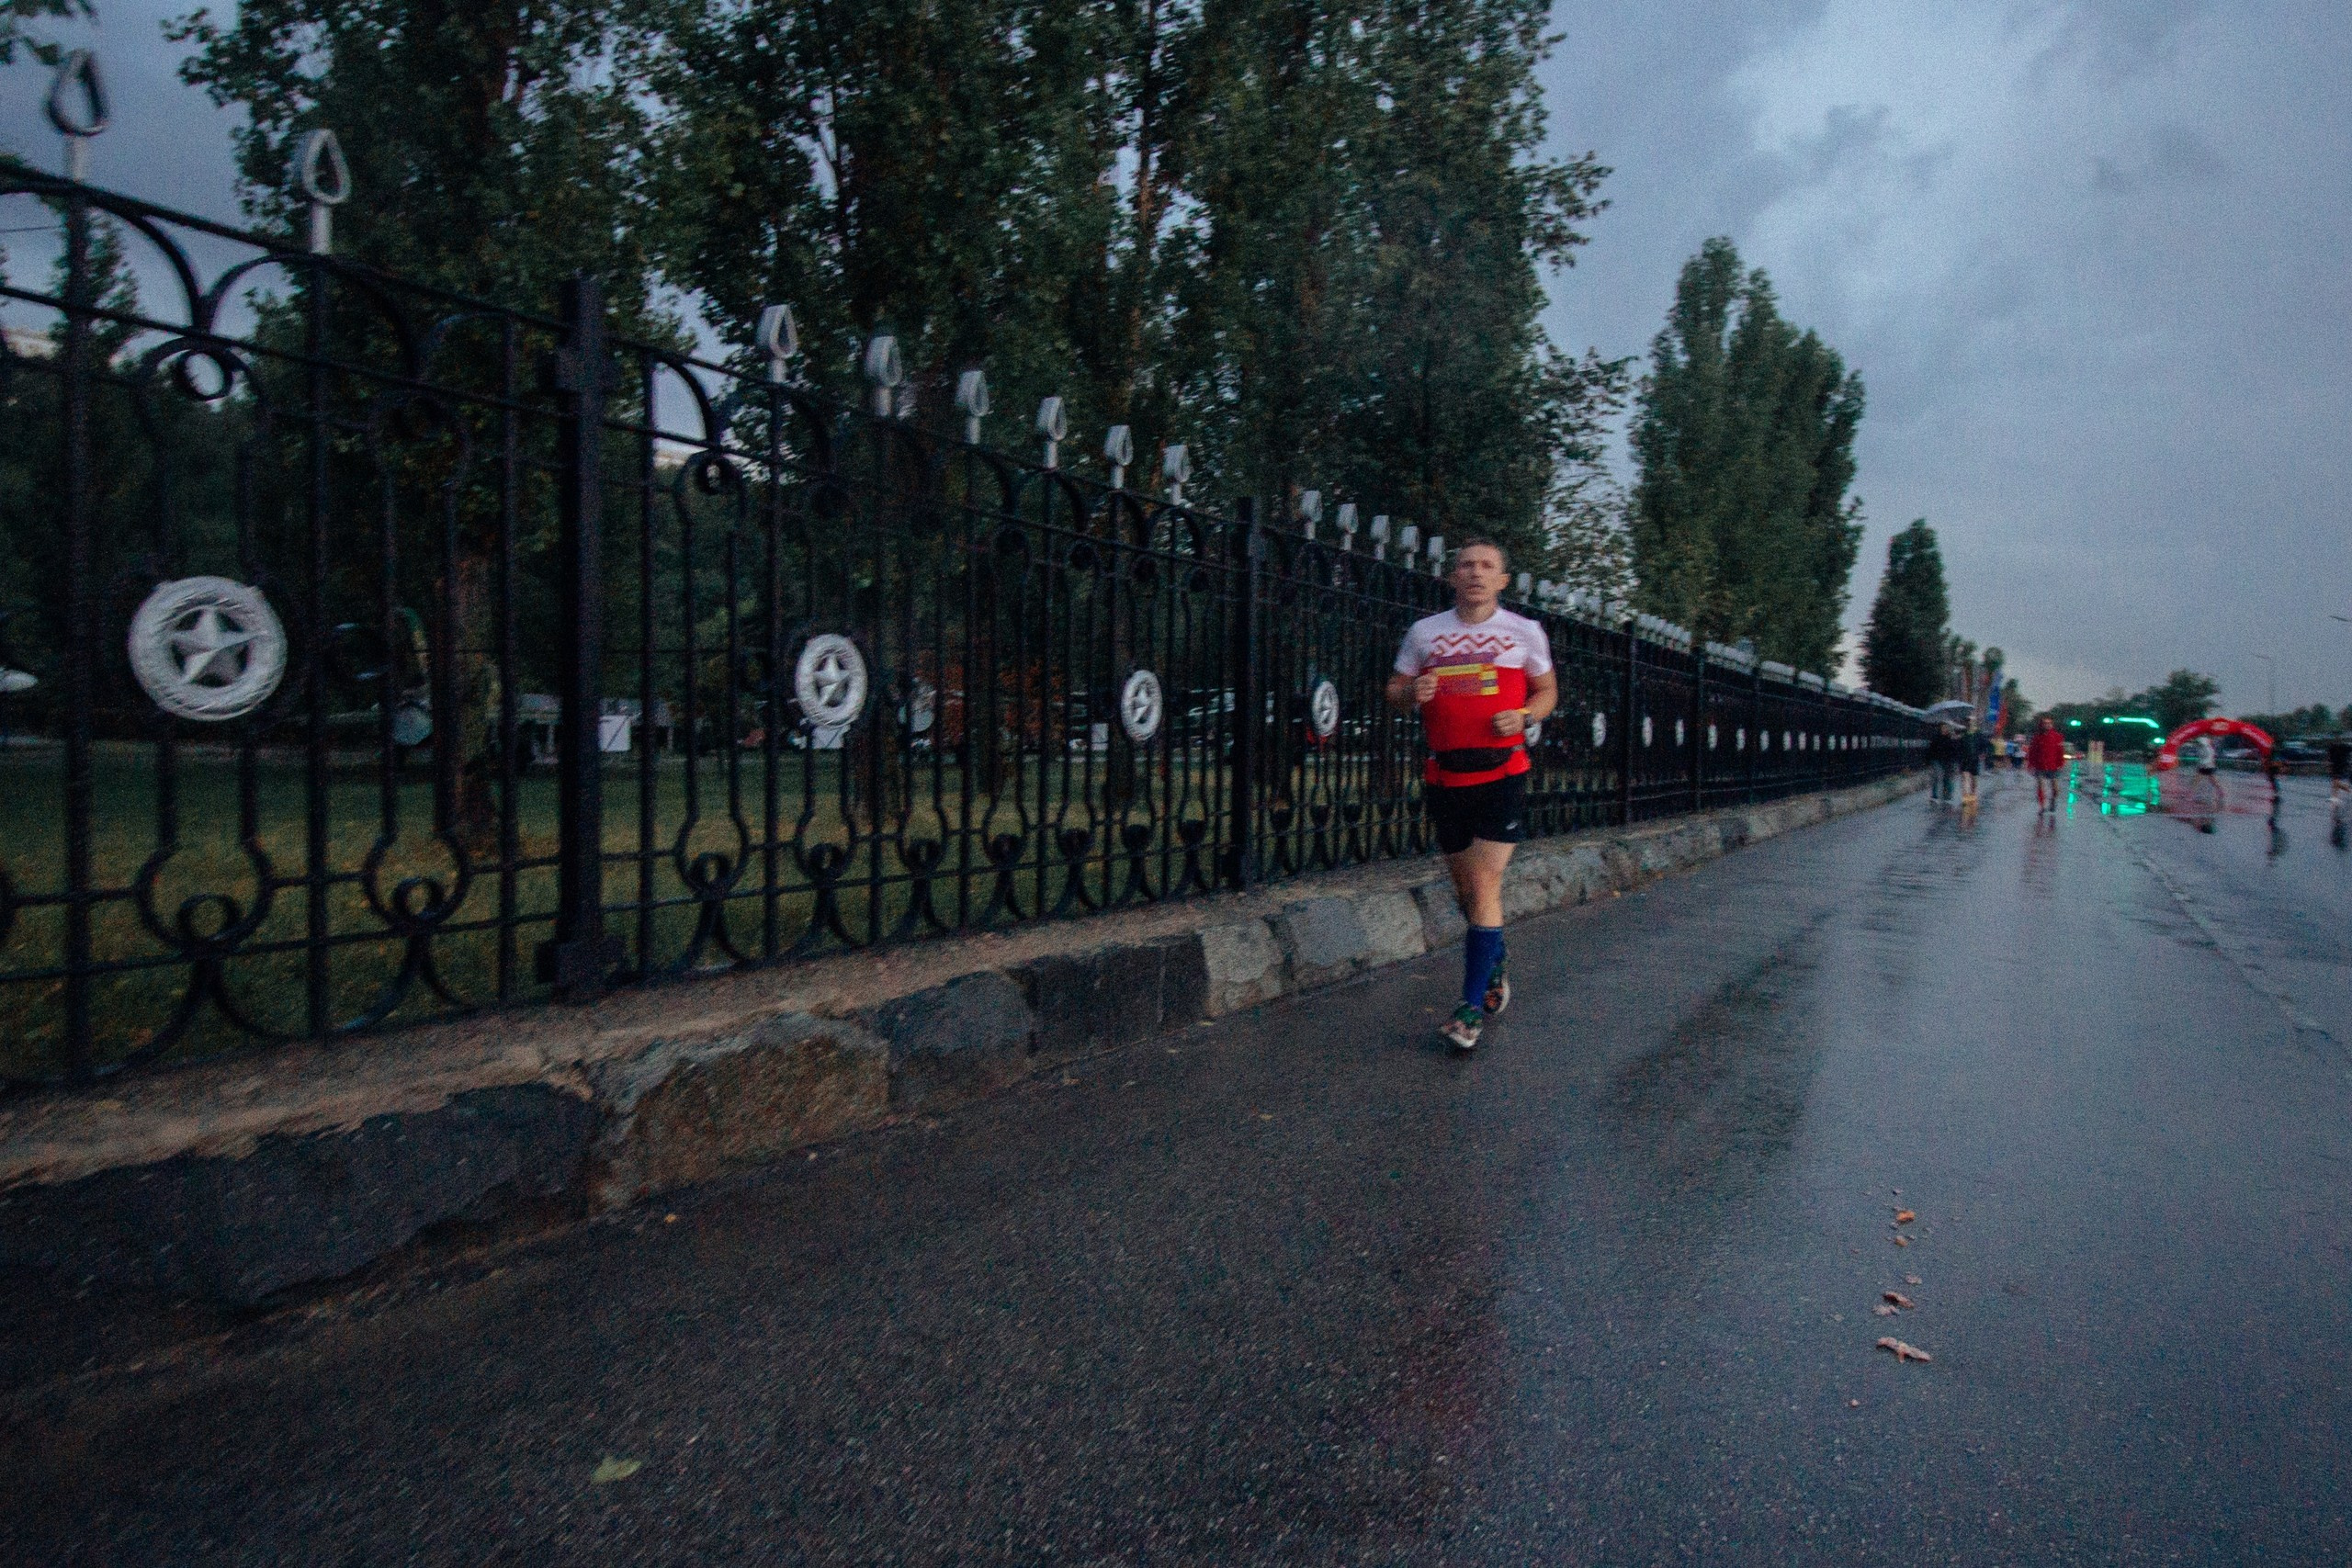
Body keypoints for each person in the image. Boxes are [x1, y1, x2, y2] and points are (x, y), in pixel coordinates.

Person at [1387, 538, 1559, 1053]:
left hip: (1502, 773)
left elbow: (1547, 691)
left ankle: (1468, 1011)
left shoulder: (1524, 632)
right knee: (1467, 894)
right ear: (1453, 577)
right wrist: (1409, 694)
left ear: (1503, 580)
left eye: (1487, 567)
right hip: (1445, 777)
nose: (1476, 573)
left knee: (1484, 883)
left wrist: (1526, 716)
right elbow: (1394, 691)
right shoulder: (1425, 633)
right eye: (1467, 565)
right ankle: (1496, 960)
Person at [2026, 715, 2066, 813]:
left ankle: (2052, 801)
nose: (2047, 725)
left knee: (2055, 789)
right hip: (2040, 765)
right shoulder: (2037, 737)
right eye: (2045, 723)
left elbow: (2060, 751)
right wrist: (2030, 764)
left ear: (2052, 725)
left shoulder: (2058, 737)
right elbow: (2032, 752)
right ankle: (2042, 805)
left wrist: (2061, 763)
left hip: (2054, 766)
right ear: (2042, 725)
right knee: (2040, 786)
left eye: (2049, 723)